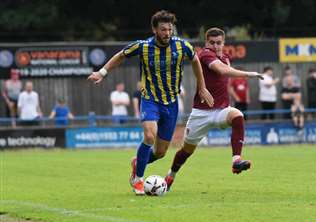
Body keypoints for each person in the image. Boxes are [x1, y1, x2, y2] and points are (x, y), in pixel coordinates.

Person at [87, 10, 214, 195]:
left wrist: (201, 87)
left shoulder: (182, 46)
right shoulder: (143, 46)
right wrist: (102, 72)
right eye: (163, 29)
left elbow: (195, 60)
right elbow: (121, 55)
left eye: (170, 29)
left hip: (171, 103)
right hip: (150, 100)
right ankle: (138, 179)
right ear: (154, 29)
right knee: (149, 136)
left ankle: (138, 161)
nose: (167, 33)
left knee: (161, 152)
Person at [164, 27, 264, 191]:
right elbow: (222, 70)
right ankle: (171, 175)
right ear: (206, 43)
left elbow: (225, 75)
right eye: (212, 43)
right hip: (201, 113)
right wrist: (249, 74)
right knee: (186, 151)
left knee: (238, 116)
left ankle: (236, 161)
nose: (215, 46)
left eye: (219, 43)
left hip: (221, 111)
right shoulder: (204, 55)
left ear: (223, 43)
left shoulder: (225, 57)